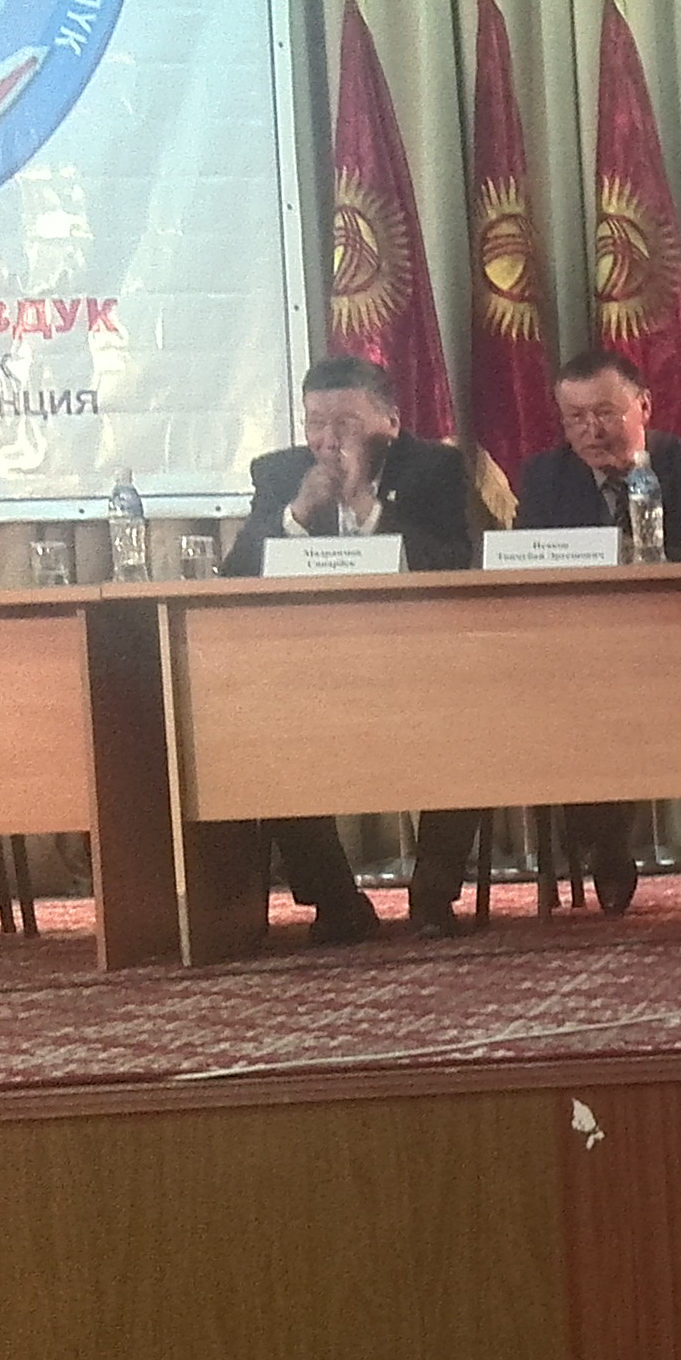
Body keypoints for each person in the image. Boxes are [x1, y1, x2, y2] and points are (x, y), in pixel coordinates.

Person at [515, 346, 681, 913]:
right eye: (575, 418)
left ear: (643, 406)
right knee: (578, 698)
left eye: (605, 413)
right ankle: (606, 848)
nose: (592, 432)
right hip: (588, 658)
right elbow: (522, 569)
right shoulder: (545, 477)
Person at [220, 356, 479, 943]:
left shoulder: (434, 467)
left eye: (347, 423)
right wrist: (296, 515)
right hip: (307, 667)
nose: (329, 440)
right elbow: (235, 575)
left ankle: (433, 894)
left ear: (390, 421)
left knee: (470, 719)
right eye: (316, 423)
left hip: (420, 661)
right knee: (260, 732)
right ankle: (336, 902)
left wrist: (366, 505)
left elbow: (452, 562)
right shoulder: (279, 473)